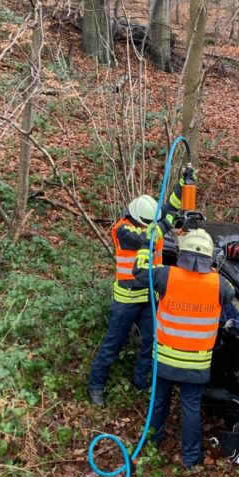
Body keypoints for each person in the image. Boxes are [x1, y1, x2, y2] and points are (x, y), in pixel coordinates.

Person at [86, 172, 191, 406]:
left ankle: (141, 382)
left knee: (151, 343)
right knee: (113, 343)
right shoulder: (123, 230)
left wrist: (182, 186)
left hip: (149, 296)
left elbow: (169, 206)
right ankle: (95, 386)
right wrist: (166, 222)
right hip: (127, 299)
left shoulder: (151, 219)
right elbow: (147, 237)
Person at [134, 228, 234, 468]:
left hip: (165, 359)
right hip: (195, 365)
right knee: (191, 409)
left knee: (159, 402)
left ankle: (151, 444)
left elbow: (139, 272)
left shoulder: (166, 275)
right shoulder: (220, 285)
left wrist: (145, 247)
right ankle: (190, 458)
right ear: (209, 258)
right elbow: (229, 298)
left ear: (183, 254)